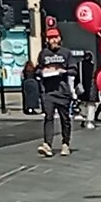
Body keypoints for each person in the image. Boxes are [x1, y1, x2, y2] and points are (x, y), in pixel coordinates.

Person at [35, 27, 77, 157]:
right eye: (50, 38)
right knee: (48, 117)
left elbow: (73, 70)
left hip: (63, 91)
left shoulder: (66, 53)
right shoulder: (44, 54)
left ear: (59, 39)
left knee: (65, 119)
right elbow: (37, 70)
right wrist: (42, 72)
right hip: (48, 92)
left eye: (55, 38)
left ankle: (65, 143)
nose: (53, 40)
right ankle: (47, 144)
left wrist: (63, 71)